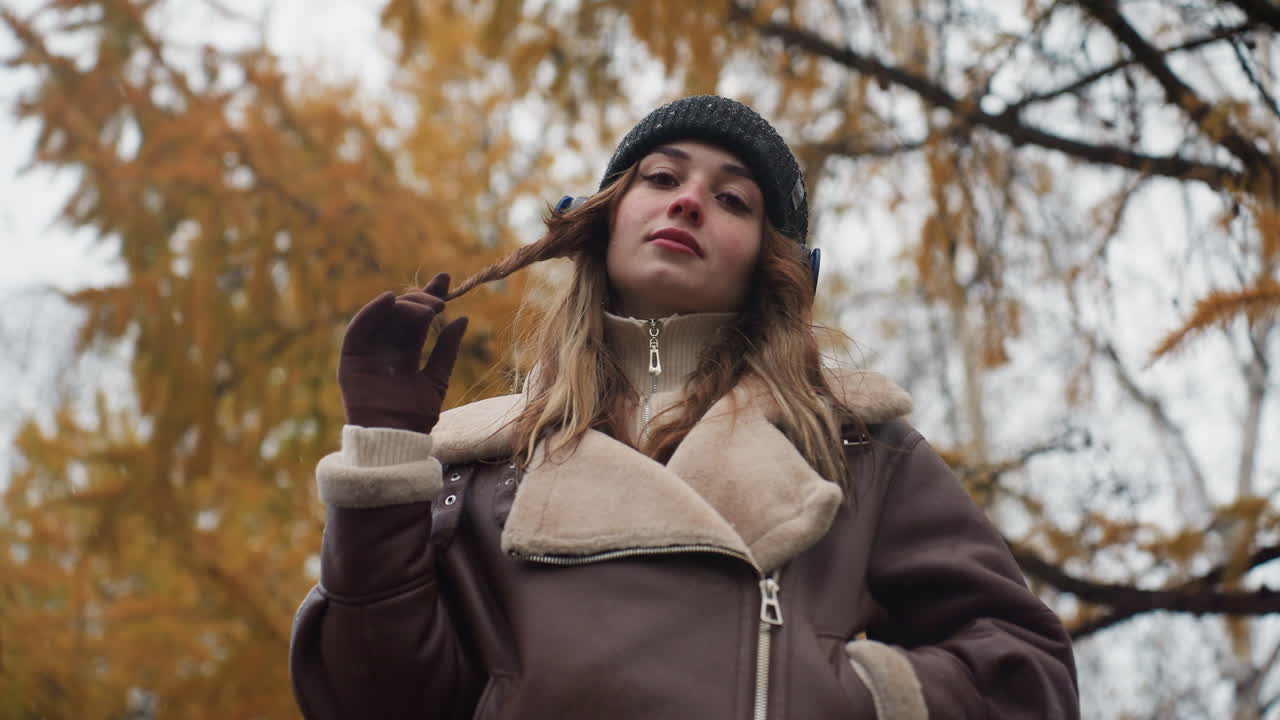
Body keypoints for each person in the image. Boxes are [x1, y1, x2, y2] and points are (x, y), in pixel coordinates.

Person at [289, 95, 1080, 719]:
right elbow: (376, 699)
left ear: (774, 266)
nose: (690, 201)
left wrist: (842, 696)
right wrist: (386, 456)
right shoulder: (484, 462)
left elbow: (1023, 673)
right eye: (661, 179)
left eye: (733, 199)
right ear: (602, 221)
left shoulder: (854, 447)